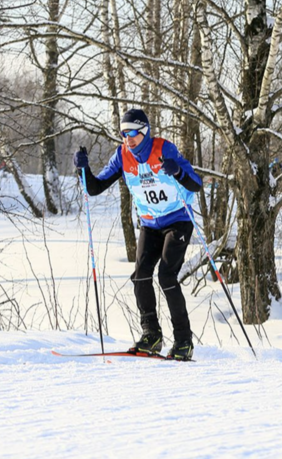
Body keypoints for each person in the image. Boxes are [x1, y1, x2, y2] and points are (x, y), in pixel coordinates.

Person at [73, 109, 202, 361]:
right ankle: (151, 335)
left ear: (144, 132)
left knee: (166, 276)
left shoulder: (164, 149)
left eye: (132, 133)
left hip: (178, 220)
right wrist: (84, 171)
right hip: (150, 224)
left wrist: (177, 170)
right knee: (140, 275)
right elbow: (96, 187)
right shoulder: (122, 155)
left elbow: (195, 183)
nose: (127, 139)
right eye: (123, 134)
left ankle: (184, 341)